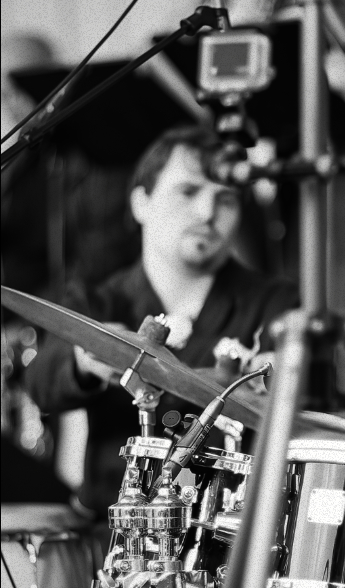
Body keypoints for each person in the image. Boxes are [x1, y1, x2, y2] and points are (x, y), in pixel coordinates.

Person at [25, 125, 298, 519]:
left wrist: (283, 383)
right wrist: (85, 361)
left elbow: (325, 412)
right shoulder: (97, 299)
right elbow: (41, 384)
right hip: (117, 533)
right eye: (188, 192)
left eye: (226, 199)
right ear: (141, 203)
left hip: (230, 539)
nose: (207, 213)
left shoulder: (277, 302)